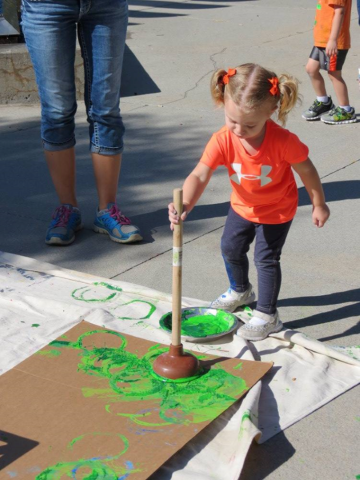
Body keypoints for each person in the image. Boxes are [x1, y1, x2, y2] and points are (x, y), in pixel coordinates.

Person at [168, 64, 330, 342]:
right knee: (230, 247)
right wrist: (187, 201)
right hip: (242, 206)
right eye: (232, 121)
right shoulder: (223, 139)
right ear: (222, 103)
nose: (239, 130)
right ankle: (240, 290)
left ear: (271, 111)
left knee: (265, 259)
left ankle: (268, 315)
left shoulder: (284, 141)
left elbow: (307, 171)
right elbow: (200, 173)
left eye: (250, 125)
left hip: (277, 209)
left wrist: (319, 203)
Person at [21, 0, 142, 245]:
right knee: (57, 111)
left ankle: (107, 210)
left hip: (106, 4)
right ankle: (68, 210)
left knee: (106, 109)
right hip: (45, 5)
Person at [302, 0, 356, 125]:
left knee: (334, 74)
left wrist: (333, 40)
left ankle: (345, 110)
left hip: (333, 42)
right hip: (322, 40)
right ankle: (324, 102)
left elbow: (339, 12)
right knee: (311, 69)